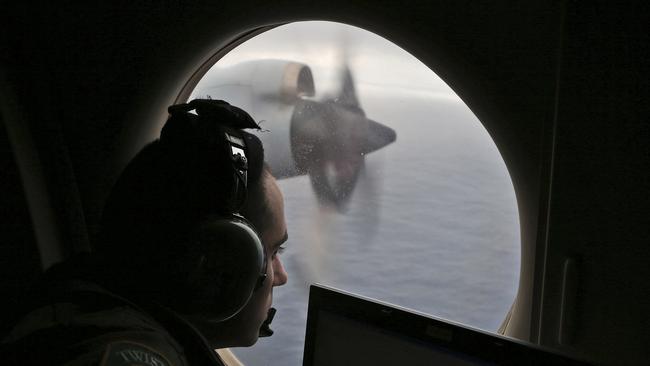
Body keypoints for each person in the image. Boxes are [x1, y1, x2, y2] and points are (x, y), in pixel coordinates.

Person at [0, 99, 289, 365]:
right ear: (216, 267)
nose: (281, 276)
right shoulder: (128, 354)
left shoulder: (84, 311)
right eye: (274, 251)